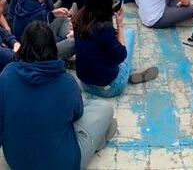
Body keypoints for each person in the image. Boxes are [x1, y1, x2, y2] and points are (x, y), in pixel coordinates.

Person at [0, 21, 116, 169]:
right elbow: (77, 114)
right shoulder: (66, 82)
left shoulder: (7, 75)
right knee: (103, 108)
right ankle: (99, 139)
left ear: (24, 45)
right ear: (53, 47)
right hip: (62, 164)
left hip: (17, 162)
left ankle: (98, 138)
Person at [75, 0, 158, 97]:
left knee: (103, 50)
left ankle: (125, 72)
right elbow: (121, 55)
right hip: (109, 88)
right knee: (129, 34)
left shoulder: (79, 17)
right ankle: (127, 74)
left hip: (85, 84)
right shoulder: (104, 29)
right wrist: (119, 25)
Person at [11, 0, 75, 60]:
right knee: (73, 42)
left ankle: (64, 50)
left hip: (26, 44)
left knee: (63, 18)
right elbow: (43, 43)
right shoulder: (38, 14)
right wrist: (66, 37)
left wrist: (52, 14)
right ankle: (63, 53)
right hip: (35, 54)